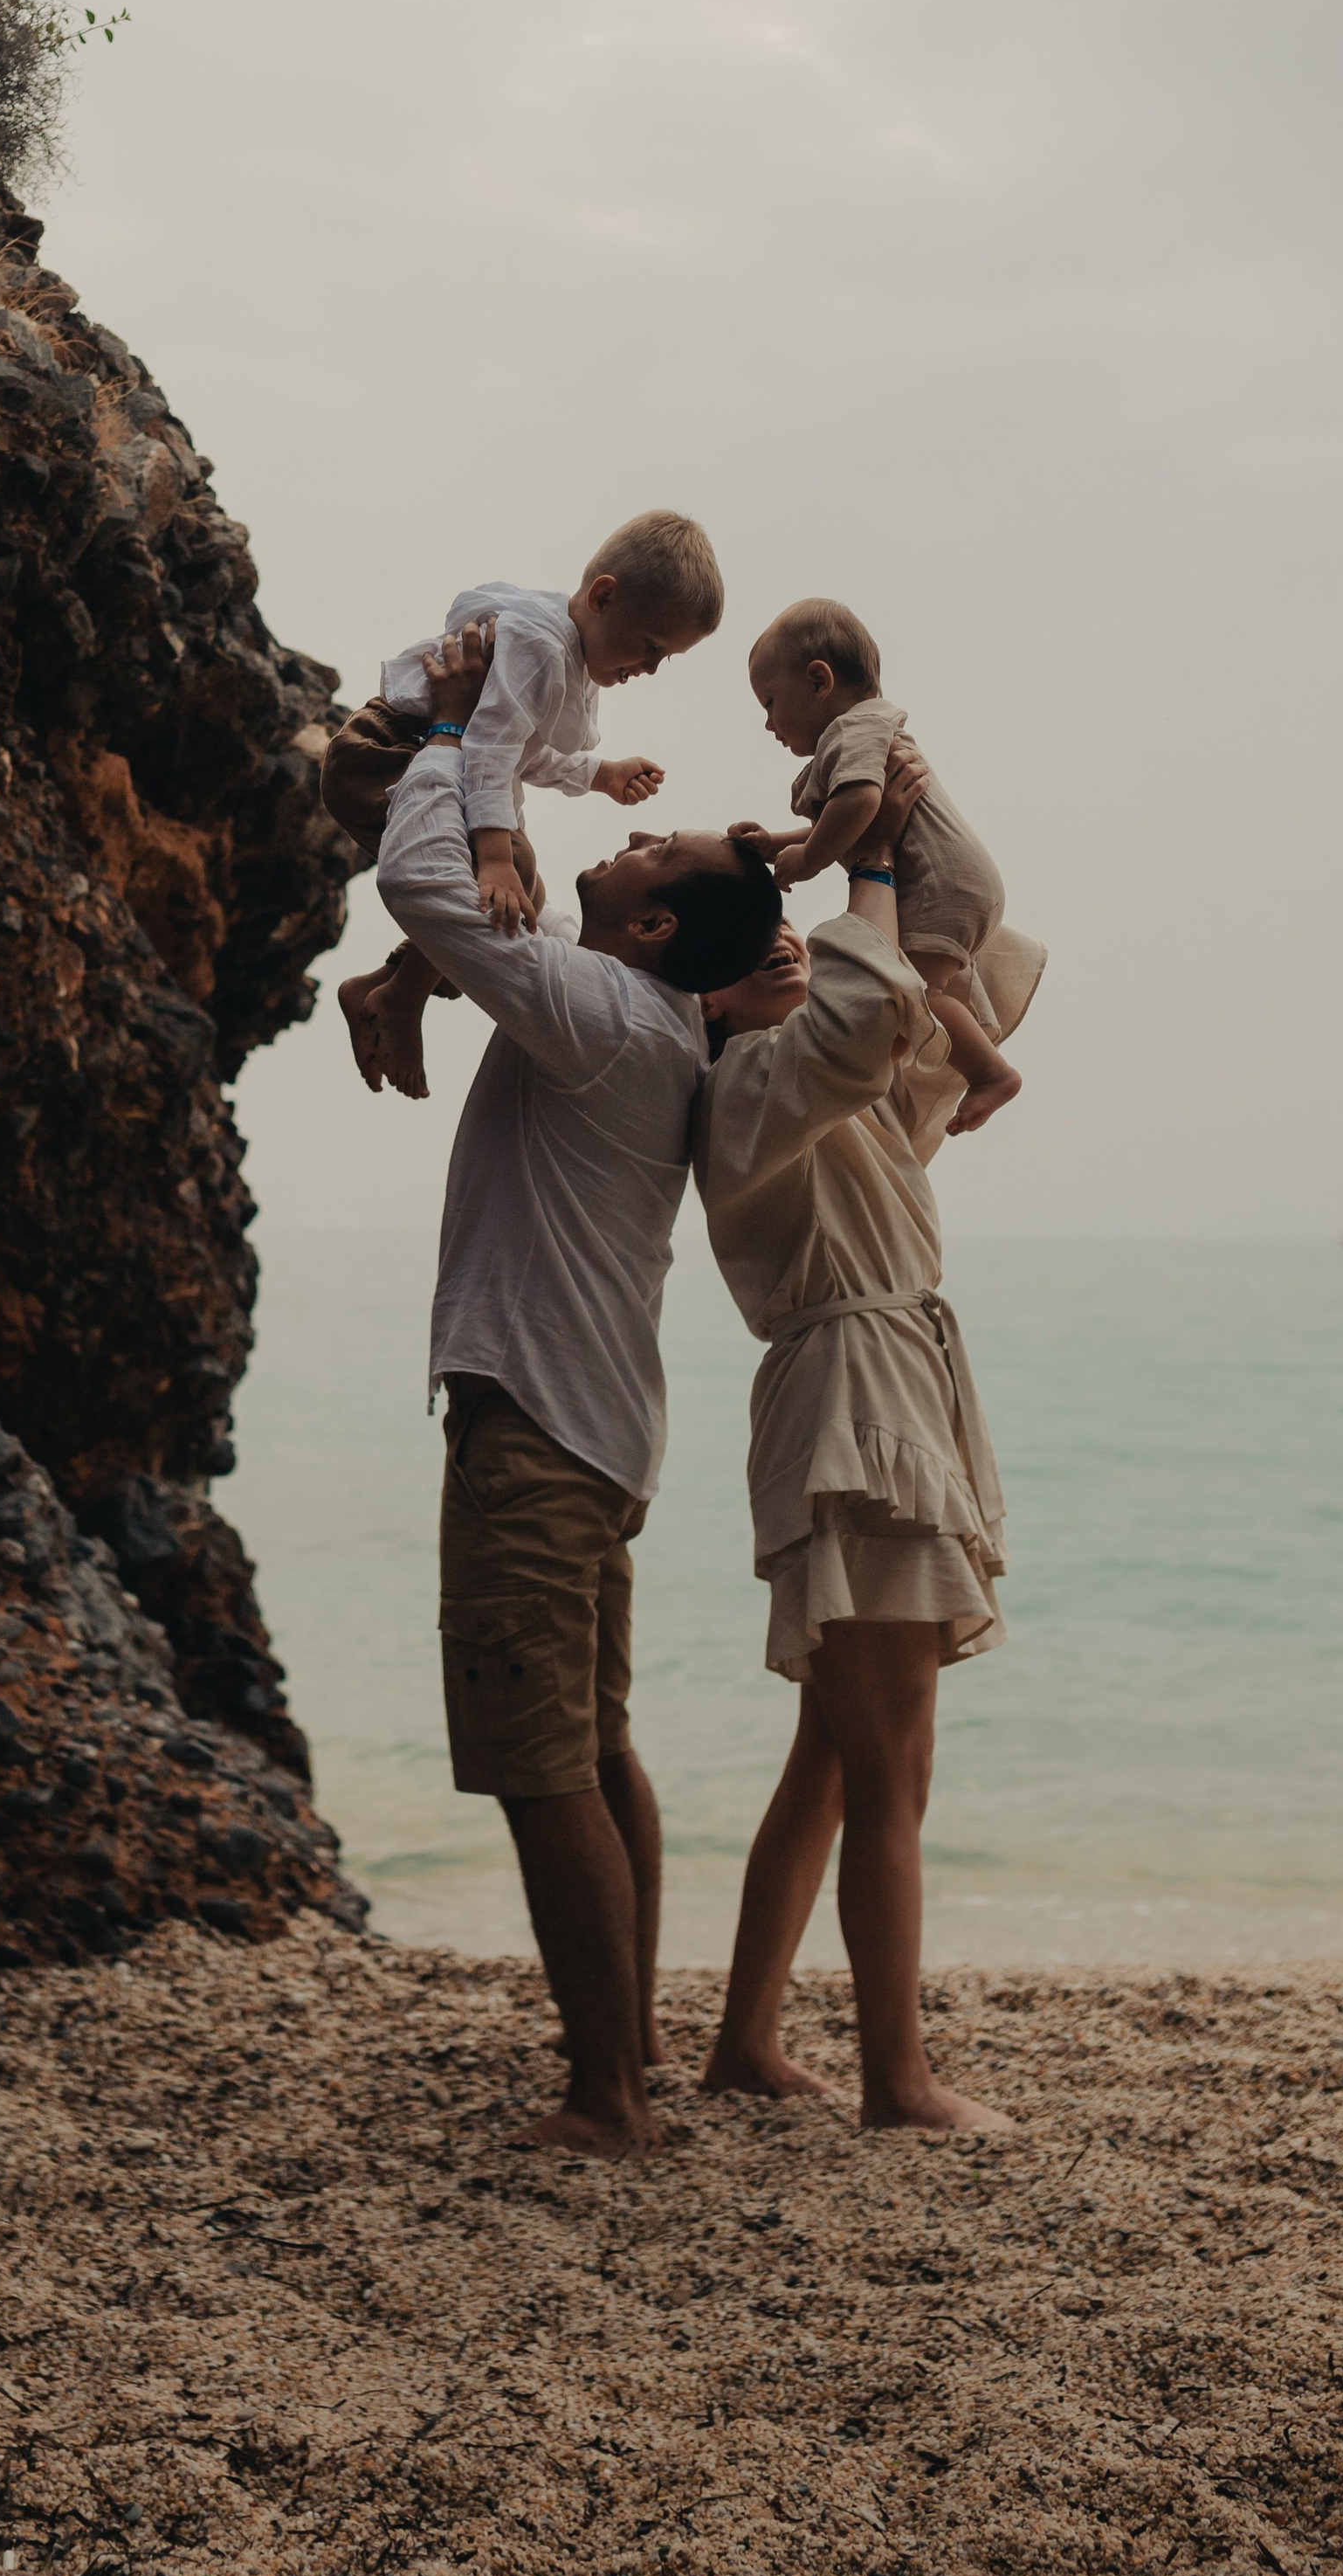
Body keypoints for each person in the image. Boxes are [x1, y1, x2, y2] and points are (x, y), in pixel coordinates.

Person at [375, 618, 783, 2161]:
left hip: (536, 1436)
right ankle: (632, 2050)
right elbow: (473, 928)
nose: (622, 838)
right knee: (600, 1749)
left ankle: (609, 2095)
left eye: (649, 849)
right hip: (601, 1433)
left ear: (659, 930)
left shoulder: (602, 1011)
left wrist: (451, 743)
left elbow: (426, 886)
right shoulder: (663, 1023)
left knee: (545, 1768)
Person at [690, 780, 1016, 2134]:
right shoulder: (752, 1081)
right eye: (744, 934)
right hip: (856, 1398)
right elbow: (873, 988)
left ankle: (746, 2042)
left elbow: (968, 933)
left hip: (885, 1385)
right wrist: (861, 855)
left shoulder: (837, 1085)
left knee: (832, 1753)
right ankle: (899, 2081)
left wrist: (892, 787)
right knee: (894, 1762)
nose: (781, 937)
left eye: (783, 922)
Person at [326, 511, 725, 1103]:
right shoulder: (540, 647)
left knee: (526, 904)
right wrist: (493, 855)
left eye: (666, 659)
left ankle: (381, 987)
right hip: (387, 751)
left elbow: (518, 749)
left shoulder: (569, 654)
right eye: (651, 646)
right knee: (512, 879)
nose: (650, 668)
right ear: (604, 596)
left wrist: (600, 775)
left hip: (425, 754)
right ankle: (402, 998)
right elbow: (486, 744)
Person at [733, 597, 1043, 1135]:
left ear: (818, 680)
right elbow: (854, 822)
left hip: (939, 884)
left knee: (914, 995)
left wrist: (806, 861)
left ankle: (991, 1075)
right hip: (958, 878)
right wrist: (777, 842)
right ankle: (914, 1060)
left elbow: (859, 807)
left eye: (770, 702)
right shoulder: (867, 732)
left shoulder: (849, 733)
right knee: (909, 996)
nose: (767, 723)